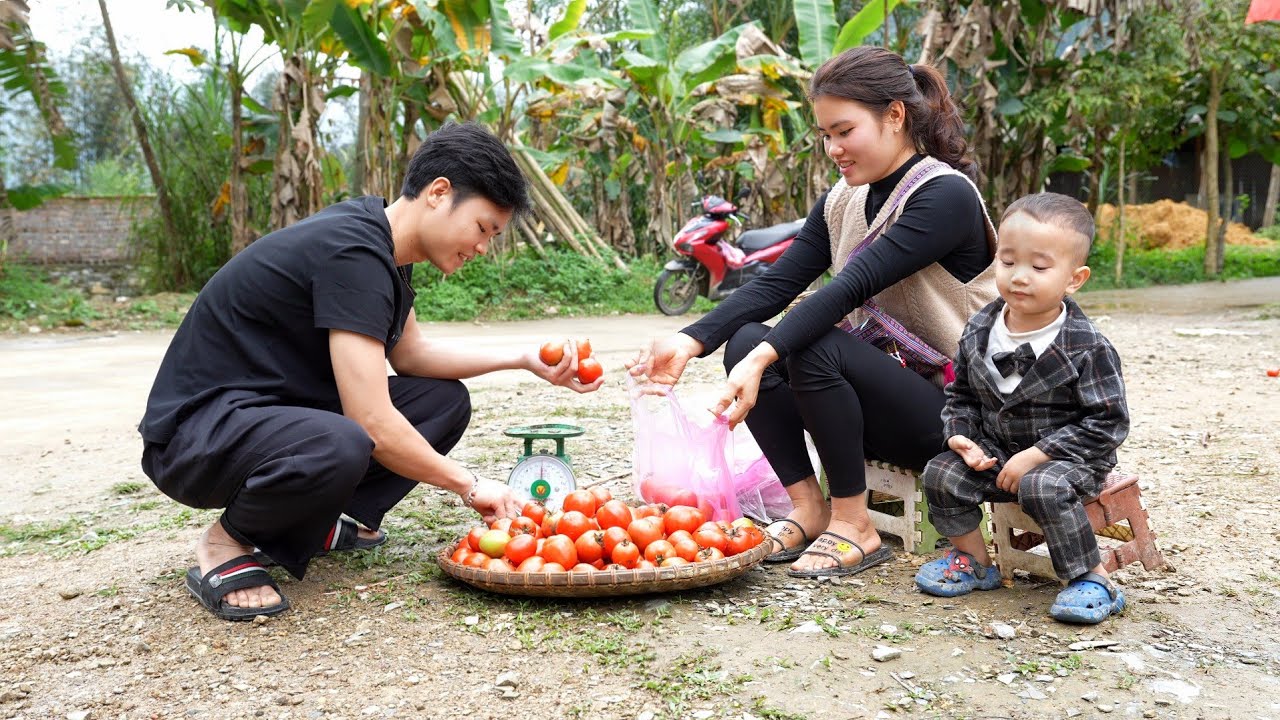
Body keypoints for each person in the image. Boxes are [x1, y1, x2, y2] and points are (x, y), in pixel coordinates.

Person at [138, 121, 602, 621]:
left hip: (266, 421)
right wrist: (469, 484)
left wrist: (522, 358)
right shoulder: (354, 252)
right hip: (197, 437)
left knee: (442, 401)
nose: (483, 247)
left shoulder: (382, 246)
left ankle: (310, 521)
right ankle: (226, 543)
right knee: (348, 437)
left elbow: (411, 357)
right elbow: (371, 421)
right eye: (483, 227)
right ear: (438, 193)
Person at [630, 46, 998, 577]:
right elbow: (780, 282)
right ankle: (810, 508)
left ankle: (856, 525)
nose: (832, 148)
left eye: (844, 131)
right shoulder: (842, 201)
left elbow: (850, 287)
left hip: (954, 416)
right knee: (746, 339)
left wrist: (762, 360)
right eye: (826, 135)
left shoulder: (944, 196)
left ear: (895, 116)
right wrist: (690, 340)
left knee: (808, 343)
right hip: (880, 402)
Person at [914, 192, 1129, 624]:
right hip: (997, 449)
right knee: (940, 473)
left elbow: (1107, 422)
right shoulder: (980, 327)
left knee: (1042, 486)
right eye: (1008, 262)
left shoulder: (1086, 346)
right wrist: (962, 438)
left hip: (1069, 459)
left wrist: (1037, 455)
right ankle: (973, 561)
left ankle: (1092, 577)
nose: (1020, 277)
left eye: (1040, 266)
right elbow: (963, 396)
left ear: (1075, 278)